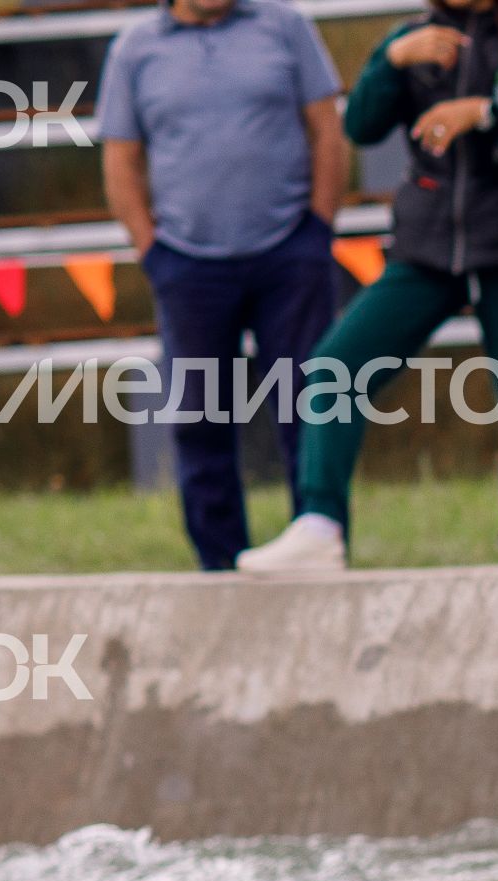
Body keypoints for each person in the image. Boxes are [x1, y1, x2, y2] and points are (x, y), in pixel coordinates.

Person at [241, 0, 498, 576]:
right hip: (427, 248)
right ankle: (320, 525)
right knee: (335, 366)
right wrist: (390, 60)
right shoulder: (413, 39)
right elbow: (360, 125)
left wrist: (485, 112)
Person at [98, 0, 348, 572]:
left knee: (308, 405)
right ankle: (220, 565)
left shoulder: (286, 27)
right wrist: (152, 251)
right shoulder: (135, 49)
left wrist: (318, 230)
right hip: (188, 264)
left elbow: (328, 131)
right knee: (200, 417)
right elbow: (121, 160)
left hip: (289, 255)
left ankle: (321, 546)